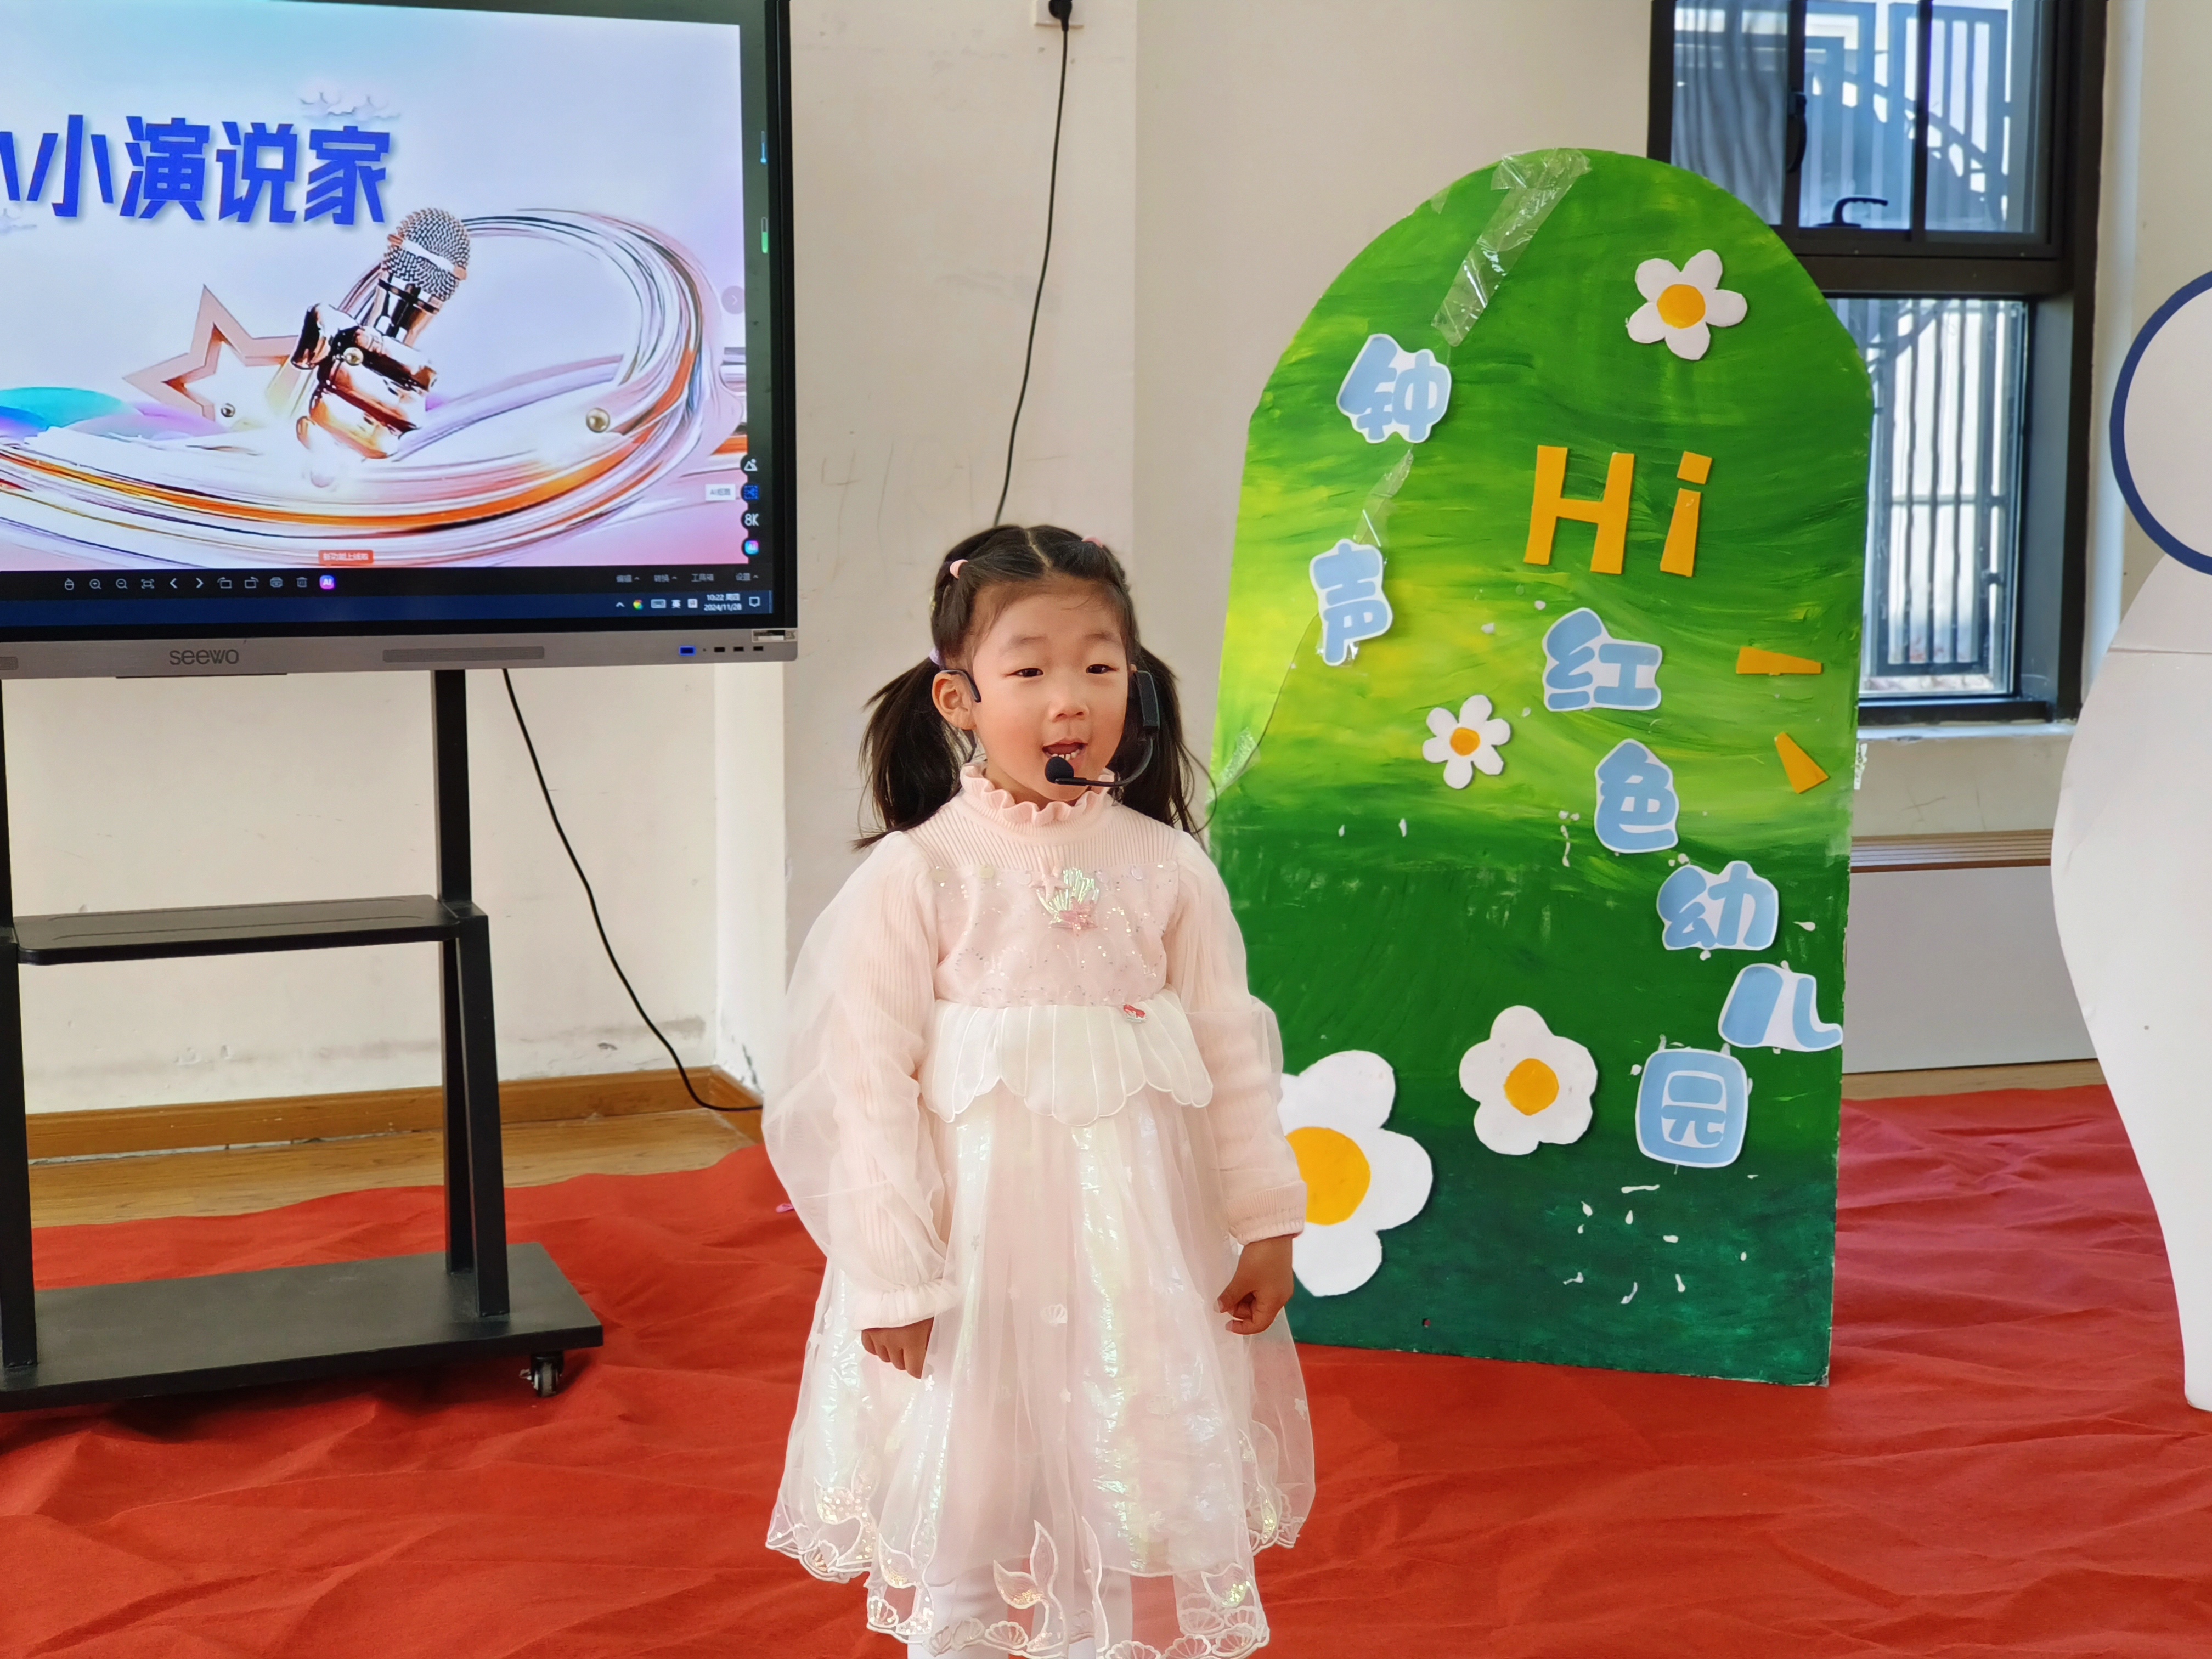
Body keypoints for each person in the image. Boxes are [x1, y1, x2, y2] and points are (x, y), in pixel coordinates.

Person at [765, 524, 1314, 1658]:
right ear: (958, 698)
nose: (1071, 698)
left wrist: (1266, 1220)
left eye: (1100, 666)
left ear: (1135, 683)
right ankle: (961, 1626)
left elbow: (1232, 1052)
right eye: (1029, 670)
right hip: (973, 1242)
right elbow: (864, 1081)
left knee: (1118, 1427)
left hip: (1131, 1236)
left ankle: (1093, 1637)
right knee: (971, 1440)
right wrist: (894, 1272)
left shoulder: (1169, 868)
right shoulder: (921, 873)